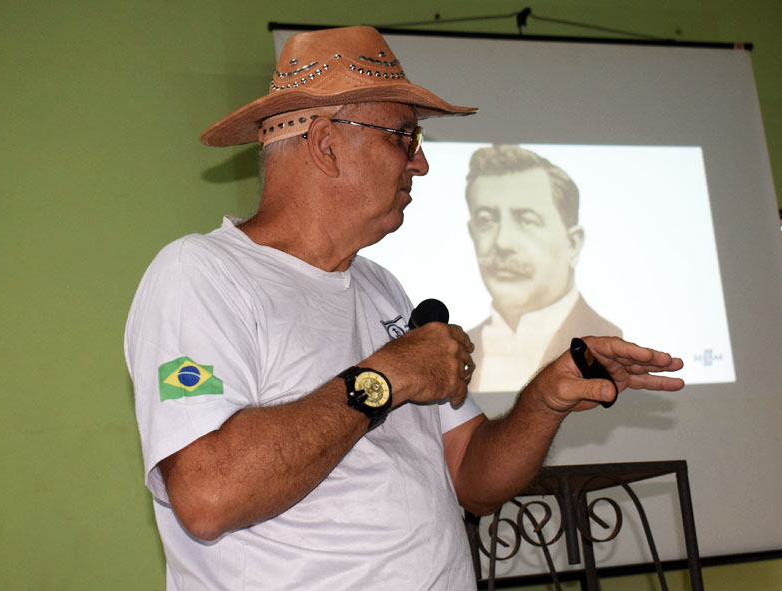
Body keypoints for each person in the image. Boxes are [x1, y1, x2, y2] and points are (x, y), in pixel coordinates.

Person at [124, 26, 684, 590]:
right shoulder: (200, 275)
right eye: (404, 137)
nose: (420, 166)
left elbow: (471, 479)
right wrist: (386, 376)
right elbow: (207, 493)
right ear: (325, 144)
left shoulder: (381, 287)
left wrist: (544, 399)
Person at [465, 145, 622, 393]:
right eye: (486, 220)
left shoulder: (616, 343)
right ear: (472, 234)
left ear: (573, 244)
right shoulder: (459, 350)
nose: (503, 242)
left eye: (527, 220)